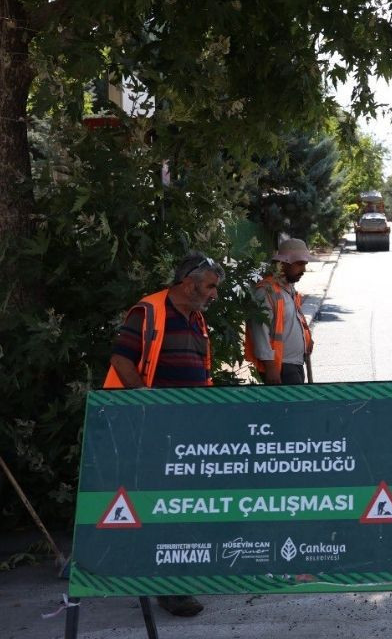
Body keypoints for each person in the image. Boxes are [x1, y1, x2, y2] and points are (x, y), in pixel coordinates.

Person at [104, 250, 224, 618]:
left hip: (183, 428)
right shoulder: (148, 311)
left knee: (177, 504)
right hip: (148, 426)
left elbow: (199, 373)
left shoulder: (196, 320)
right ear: (188, 284)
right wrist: (145, 403)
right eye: (209, 286)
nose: (213, 294)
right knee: (165, 505)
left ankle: (168, 579)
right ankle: (170, 587)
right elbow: (121, 359)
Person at [245, 237, 316, 385]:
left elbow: (290, 321)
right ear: (283, 263)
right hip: (281, 368)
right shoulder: (266, 291)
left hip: (293, 365)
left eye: (304, 264)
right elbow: (259, 331)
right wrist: (271, 367)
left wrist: (306, 339)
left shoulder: (287, 288)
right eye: (299, 264)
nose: (303, 269)